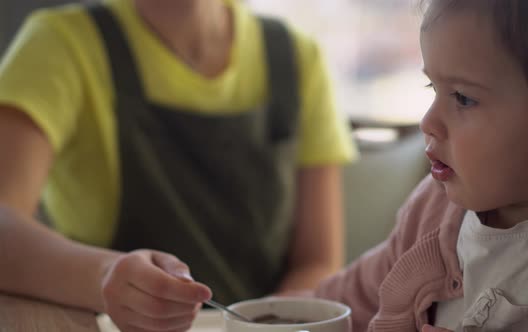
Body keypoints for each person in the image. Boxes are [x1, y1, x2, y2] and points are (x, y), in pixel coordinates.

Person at [0, 0, 356, 330]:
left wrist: (262, 324)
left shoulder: (297, 57)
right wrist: (104, 275)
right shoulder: (61, 45)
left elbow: (317, 261)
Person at [310, 0, 528, 331]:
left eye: (463, 98)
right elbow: (341, 302)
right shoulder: (430, 212)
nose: (427, 122)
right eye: (433, 87)